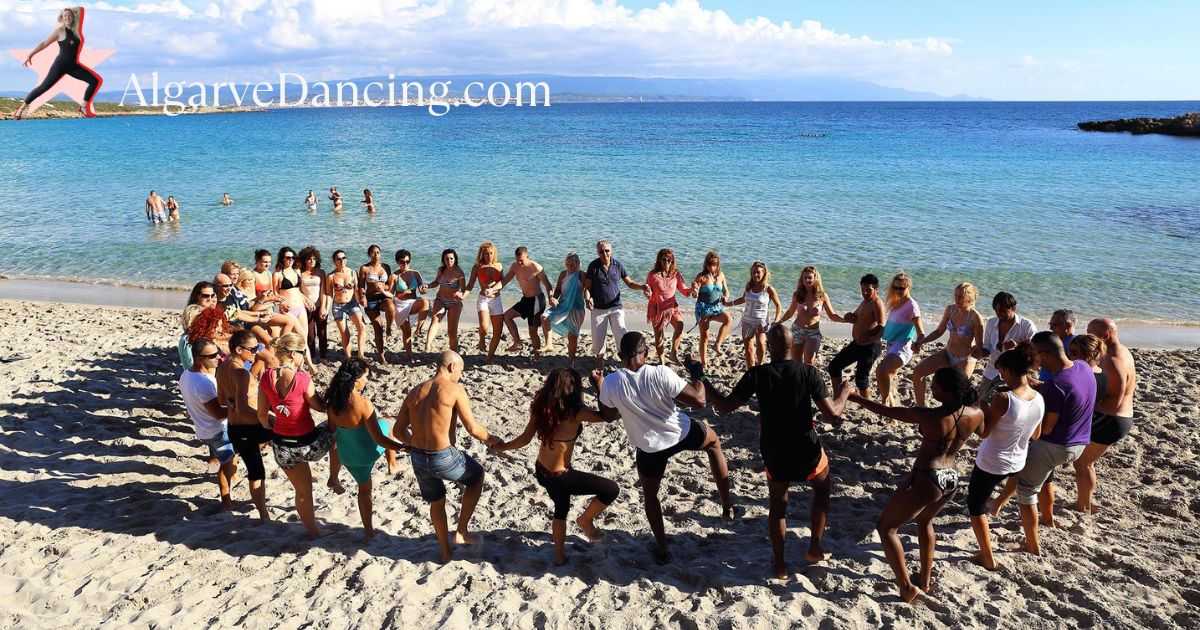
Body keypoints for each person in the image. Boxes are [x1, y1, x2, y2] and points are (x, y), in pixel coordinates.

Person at [703, 324, 852, 578]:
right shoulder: (809, 373)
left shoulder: (757, 374)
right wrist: (845, 392)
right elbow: (832, 413)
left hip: (775, 450)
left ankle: (780, 565)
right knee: (823, 487)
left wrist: (704, 382)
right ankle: (815, 546)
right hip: (807, 449)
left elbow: (726, 406)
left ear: (769, 347)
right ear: (793, 346)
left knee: (778, 506)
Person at [847, 368, 983, 603]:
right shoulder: (976, 413)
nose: (932, 388)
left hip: (929, 477)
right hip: (952, 477)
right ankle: (926, 580)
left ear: (947, 391)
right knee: (925, 522)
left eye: (935, 386)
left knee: (886, 528)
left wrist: (854, 396)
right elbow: (983, 432)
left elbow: (885, 410)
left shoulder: (930, 416)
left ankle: (907, 586)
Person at [595, 332, 732, 564]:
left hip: (649, 447)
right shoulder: (660, 372)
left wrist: (599, 387)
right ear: (646, 353)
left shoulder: (611, 382)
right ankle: (728, 506)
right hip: (679, 433)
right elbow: (699, 400)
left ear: (619, 356)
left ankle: (662, 548)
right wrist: (697, 374)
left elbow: (608, 416)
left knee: (651, 496)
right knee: (714, 443)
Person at [491, 368, 619, 565]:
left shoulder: (541, 407)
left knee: (562, 507)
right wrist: (600, 384)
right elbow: (609, 415)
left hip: (542, 471)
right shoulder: (576, 412)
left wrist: (503, 447)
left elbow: (525, 439)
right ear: (574, 389)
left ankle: (559, 556)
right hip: (561, 476)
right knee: (611, 489)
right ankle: (585, 521)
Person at [392, 351, 502, 562]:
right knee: (476, 476)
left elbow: (398, 431)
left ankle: (444, 550)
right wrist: (492, 439)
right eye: (461, 371)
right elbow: (472, 428)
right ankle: (461, 532)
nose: (460, 375)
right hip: (442, 455)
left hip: (417, 457)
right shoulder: (454, 389)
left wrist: (412, 443)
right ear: (452, 367)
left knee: (437, 501)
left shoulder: (415, 391)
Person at [1000, 332, 1096, 554]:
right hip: (1080, 442)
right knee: (1045, 479)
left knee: (1026, 492)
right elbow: (1069, 394)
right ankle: (1048, 519)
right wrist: (1039, 385)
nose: (1033, 361)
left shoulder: (1057, 387)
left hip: (1056, 447)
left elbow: (1047, 428)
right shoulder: (1083, 367)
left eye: (1035, 355)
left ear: (1044, 354)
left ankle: (1032, 545)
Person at [257, 333, 344, 539]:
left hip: (282, 446)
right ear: (294, 354)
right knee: (337, 430)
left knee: (303, 491)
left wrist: (273, 429)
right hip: (308, 444)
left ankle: (313, 532)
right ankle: (333, 477)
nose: (304, 357)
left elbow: (261, 414)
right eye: (303, 353)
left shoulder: (266, 376)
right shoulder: (302, 378)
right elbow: (320, 407)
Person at [966, 345, 1044, 571]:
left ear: (1010, 370)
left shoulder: (1004, 398)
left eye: (1002, 371)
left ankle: (987, 556)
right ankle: (1033, 545)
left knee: (976, 506)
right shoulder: (1038, 398)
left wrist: (979, 406)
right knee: (1022, 492)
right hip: (1019, 459)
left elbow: (983, 432)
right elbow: (1036, 434)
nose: (1000, 375)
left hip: (992, 461)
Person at [323, 360, 407, 542]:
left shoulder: (332, 402)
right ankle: (392, 464)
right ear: (356, 380)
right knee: (389, 426)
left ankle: (334, 478)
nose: (367, 380)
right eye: (366, 377)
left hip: (346, 455)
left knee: (362, 486)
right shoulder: (363, 404)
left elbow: (332, 433)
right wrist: (403, 447)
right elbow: (379, 439)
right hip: (366, 454)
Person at [1074, 319, 1138, 513]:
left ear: (1106, 335)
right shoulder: (1124, 351)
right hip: (1119, 417)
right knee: (1085, 462)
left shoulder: (1112, 360)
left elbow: (1115, 400)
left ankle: (1084, 504)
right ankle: (1086, 501)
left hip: (1112, 419)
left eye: (1092, 333)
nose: (1089, 337)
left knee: (1083, 463)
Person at [216, 329, 277, 522]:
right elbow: (243, 409)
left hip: (235, 428)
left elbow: (222, 400)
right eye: (253, 348)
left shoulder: (222, 367)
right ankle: (263, 515)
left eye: (258, 347)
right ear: (239, 349)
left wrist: (234, 402)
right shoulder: (241, 373)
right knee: (257, 471)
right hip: (249, 427)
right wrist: (268, 418)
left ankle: (262, 512)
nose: (256, 352)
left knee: (254, 467)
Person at [12, 7, 101, 120]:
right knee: (43, 87)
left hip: (73, 66)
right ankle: (21, 108)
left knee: (94, 81)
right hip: (60, 65)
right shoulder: (60, 31)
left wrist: (68, 10)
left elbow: (80, 9)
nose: (67, 17)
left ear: (73, 17)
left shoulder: (76, 30)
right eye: (65, 16)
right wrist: (31, 54)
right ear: (62, 18)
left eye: (69, 15)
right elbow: (44, 43)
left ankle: (83, 107)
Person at [180, 338, 235, 510]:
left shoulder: (186, 375)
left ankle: (230, 490)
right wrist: (238, 408)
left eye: (218, 352)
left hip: (204, 429)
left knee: (229, 462)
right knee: (227, 466)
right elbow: (218, 413)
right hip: (218, 430)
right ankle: (226, 501)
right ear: (199, 358)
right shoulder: (203, 383)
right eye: (212, 355)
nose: (219, 357)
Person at [910, 282, 984, 407]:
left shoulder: (975, 317)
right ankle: (921, 408)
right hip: (947, 353)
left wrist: (974, 354)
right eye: (956, 295)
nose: (957, 299)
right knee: (917, 373)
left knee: (957, 393)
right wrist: (921, 341)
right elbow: (939, 331)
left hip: (964, 359)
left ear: (969, 298)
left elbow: (979, 346)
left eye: (960, 296)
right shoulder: (950, 309)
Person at [583, 240, 647, 369]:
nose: (604, 253)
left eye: (607, 251)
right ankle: (600, 364)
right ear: (597, 252)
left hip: (616, 307)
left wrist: (642, 287)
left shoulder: (618, 265)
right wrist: (588, 299)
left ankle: (625, 362)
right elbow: (587, 288)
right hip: (599, 309)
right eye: (601, 251)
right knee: (598, 339)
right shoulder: (593, 266)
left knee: (622, 335)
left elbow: (629, 283)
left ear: (611, 251)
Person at [827, 274, 885, 399]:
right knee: (834, 366)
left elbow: (882, 326)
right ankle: (838, 397)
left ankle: (868, 405)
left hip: (870, 347)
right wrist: (849, 317)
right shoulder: (865, 301)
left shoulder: (877, 303)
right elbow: (858, 319)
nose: (864, 292)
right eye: (862, 289)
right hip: (858, 344)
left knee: (861, 380)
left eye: (868, 290)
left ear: (876, 289)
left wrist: (871, 339)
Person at [975, 291, 1038, 405]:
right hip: (992, 370)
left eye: (1003, 311)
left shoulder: (1026, 325)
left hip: (1017, 373)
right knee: (982, 402)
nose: (999, 314)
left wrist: (1018, 346)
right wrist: (979, 352)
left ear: (1013, 308)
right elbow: (988, 348)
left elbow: (1036, 350)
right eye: (996, 311)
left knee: (1014, 404)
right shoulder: (991, 322)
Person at [877, 273, 925, 405]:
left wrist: (919, 343)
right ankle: (892, 408)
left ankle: (884, 402)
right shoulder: (896, 302)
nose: (898, 290)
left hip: (902, 348)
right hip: (891, 346)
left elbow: (921, 331)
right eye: (895, 287)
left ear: (908, 287)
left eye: (901, 288)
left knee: (881, 370)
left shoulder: (912, 306)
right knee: (889, 379)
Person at [779, 266, 842, 365]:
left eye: (810, 277)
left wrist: (845, 320)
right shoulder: (798, 294)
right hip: (797, 330)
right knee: (796, 363)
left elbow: (832, 315)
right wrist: (779, 321)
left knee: (809, 363)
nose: (807, 280)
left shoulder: (822, 295)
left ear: (815, 278)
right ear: (802, 279)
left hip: (813, 332)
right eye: (805, 278)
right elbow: (790, 312)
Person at [725, 261, 781, 369]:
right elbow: (743, 299)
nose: (756, 275)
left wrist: (777, 320)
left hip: (761, 323)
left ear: (764, 273)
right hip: (747, 321)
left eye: (758, 272)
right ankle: (750, 371)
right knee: (749, 350)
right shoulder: (749, 286)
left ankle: (759, 366)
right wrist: (729, 303)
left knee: (761, 344)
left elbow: (778, 305)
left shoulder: (768, 289)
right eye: (754, 272)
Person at [499, 246, 553, 357]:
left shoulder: (536, 267)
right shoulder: (515, 266)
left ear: (527, 257)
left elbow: (548, 285)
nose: (519, 262)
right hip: (525, 300)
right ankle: (517, 342)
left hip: (537, 301)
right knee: (507, 316)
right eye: (517, 260)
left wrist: (551, 297)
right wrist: (494, 289)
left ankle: (537, 356)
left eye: (521, 260)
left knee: (532, 331)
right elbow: (505, 280)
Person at [643, 248, 692, 364]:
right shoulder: (653, 275)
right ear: (659, 260)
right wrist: (647, 293)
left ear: (672, 261)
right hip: (657, 309)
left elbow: (684, 291)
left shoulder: (676, 274)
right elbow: (648, 292)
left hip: (671, 307)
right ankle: (662, 360)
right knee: (659, 338)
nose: (666, 262)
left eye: (669, 260)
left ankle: (673, 354)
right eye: (664, 260)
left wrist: (693, 290)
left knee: (680, 325)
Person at [273, 246, 315, 370]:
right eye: (288, 257)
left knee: (303, 338)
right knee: (297, 337)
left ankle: (301, 365)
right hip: (288, 309)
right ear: (282, 259)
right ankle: (310, 365)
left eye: (293, 257)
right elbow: (274, 293)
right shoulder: (277, 275)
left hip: (300, 307)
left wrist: (306, 299)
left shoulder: (297, 272)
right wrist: (280, 303)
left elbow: (298, 291)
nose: (290, 260)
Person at [542, 252, 587, 365]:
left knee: (572, 337)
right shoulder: (563, 274)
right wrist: (553, 298)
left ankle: (571, 360)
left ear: (578, 264)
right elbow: (557, 290)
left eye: (573, 264)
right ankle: (549, 344)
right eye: (568, 264)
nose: (570, 267)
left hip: (576, 309)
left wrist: (589, 300)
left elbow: (587, 291)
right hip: (562, 306)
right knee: (544, 317)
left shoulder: (582, 275)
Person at [691, 251, 733, 367]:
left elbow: (726, 290)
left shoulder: (721, 275)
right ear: (706, 264)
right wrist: (694, 290)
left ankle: (717, 344)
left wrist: (726, 297)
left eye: (714, 264)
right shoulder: (702, 276)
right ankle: (704, 363)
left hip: (716, 307)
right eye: (709, 264)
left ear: (718, 264)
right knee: (705, 336)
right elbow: (694, 293)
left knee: (728, 319)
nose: (711, 266)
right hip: (703, 308)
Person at [326, 250, 367, 360]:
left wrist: (362, 299)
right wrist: (325, 309)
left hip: (352, 303)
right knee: (345, 333)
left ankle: (360, 355)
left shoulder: (353, 273)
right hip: (338, 306)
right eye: (339, 259)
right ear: (334, 261)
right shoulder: (331, 276)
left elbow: (357, 290)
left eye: (344, 258)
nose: (342, 260)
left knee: (362, 327)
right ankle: (348, 358)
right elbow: (329, 294)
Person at [465, 242, 505, 356]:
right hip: (483, 299)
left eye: (491, 253)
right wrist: (463, 295)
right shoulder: (477, 267)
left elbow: (503, 283)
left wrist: (494, 289)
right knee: (484, 327)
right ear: (482, 254)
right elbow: (470, 285)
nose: (489, 256)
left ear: (494, 253)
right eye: (486, 254)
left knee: (497, 332)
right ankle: (482, 339)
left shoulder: (499, 266)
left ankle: (490, 356)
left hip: (496, 300)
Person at [425, 249, 467, 353]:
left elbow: (464, 289)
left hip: (454, 303)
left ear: (455, 259)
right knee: (435, 320)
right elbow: (436, 282)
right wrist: (428, 285)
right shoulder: (441, 270)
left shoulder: (459, 272)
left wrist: (461, 294)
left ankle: (454, 352)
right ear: (443, 260)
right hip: (441, 300)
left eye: (451, 259)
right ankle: (427, 346)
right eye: (447, 259)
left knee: (451, 331)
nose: (449, 261)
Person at [358, 244, 395, 364]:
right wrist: (362, 297)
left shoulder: (386, 267)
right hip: (371, 299)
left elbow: (389, 285)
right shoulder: (364, 268)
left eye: (378, 252)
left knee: (391, 306)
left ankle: (389, 327)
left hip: (383, 296)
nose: (376, 255)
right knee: (378, 327)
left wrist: (383, 286)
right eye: (373, 252)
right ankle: (381, 354)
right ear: (369, 254)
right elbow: (361, 285)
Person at [391, 249, 429, 362]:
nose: (405, 264)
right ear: (398, 262)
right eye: (402, 262)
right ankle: (409, 355)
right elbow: (391, 295)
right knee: (406, 331)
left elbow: (422, 291)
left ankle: (419, 329)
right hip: (400, 304)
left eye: (407, 261)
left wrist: (424, 289)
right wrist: (403, 293)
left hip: (412, 303)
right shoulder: (394, 276)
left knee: (425, 302)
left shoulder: (416, 274)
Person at [298, 246, 328, 361]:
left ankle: (324, 354)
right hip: (306, 307)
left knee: (322, 331)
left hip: (320, 305)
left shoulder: (321, 272)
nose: (312, 261)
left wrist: (323, 307)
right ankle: (312, 354)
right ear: (304, 260)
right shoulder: (300, 273)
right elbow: (299, 291)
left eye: (314, 259)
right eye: (309, 259)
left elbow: (323, 291)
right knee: (310, 333)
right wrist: (306, 301)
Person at [1039, 309, 1077, 381]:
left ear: (1068, 325)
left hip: (1054, 385)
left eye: (1055, 325)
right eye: (1050, 324)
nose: (1050, 328)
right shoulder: (1056, 340)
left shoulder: (1074, 344)